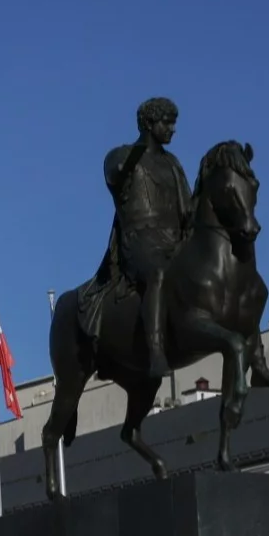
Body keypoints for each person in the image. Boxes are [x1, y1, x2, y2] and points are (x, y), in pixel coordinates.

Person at [90, 95, 194, 378]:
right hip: (140, 241)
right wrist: (132, 159)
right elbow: (116, 177)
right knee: (158, 272)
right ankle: (156, 351)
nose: (173, 129)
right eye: (167, 123)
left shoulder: (172, 163)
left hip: (175, 239)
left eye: (173, 123)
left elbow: (187, 205)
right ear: (149, 123)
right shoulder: (120, 155)